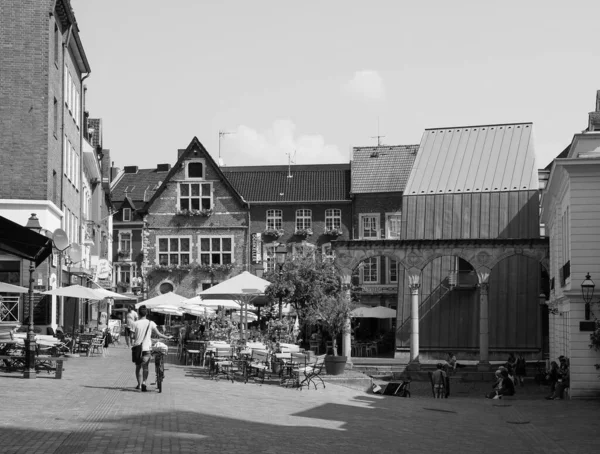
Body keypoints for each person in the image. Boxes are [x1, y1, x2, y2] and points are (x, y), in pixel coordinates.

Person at [131, 306, 172, 392]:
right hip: (146, 348)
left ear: (138, 313)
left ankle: (138, 384)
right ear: (146, 313)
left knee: (138, 367)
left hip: (137, 348)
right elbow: (159, 334)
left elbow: (132, 337)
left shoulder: (135, 323)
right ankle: (144, 383)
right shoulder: (151, 323)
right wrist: (167, 337)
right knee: (145, 367)